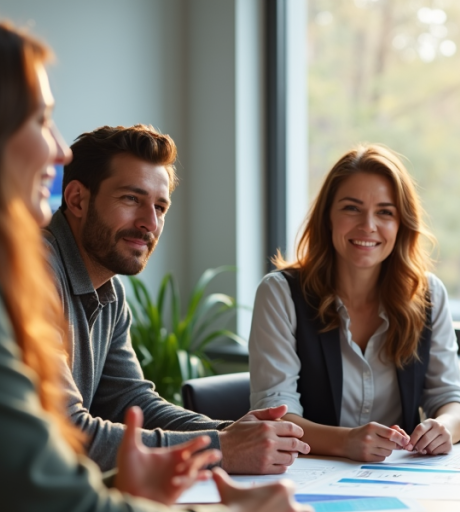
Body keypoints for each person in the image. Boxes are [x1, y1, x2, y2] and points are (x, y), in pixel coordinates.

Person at [0, 11, 310, 512]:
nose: (58, 149)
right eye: (40, 119)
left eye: (160, 206)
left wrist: (217, 438)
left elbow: (124, 411)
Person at [48, 125, 309, 473]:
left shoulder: (109, 291)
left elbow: (131, 403)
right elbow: (63, 434)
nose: (149, 223)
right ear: (77, 199)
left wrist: (227, 433)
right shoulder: (34, 272)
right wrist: (221, 449)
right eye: (131, 199)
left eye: (160, 206)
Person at [249, 144, 460, 462]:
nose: (368, 225)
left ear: (401, 224)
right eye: (352, 208)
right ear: (328, 217)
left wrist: (444, 427)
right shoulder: (280, 294)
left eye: (385, 212)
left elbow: (451, 398)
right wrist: (347, 442)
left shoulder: (429, 295)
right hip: (306, 477)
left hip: (401, 480)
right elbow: (274, 414)